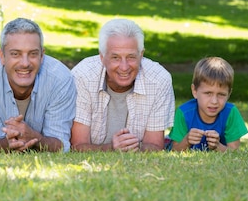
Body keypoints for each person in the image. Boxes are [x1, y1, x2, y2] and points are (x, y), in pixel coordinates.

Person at [0, 18, 76, 152]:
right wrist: (9, 142)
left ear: (42, 56)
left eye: (33, 54)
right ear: (2, 56)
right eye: (15, 54)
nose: (25, 63)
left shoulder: (60, 79)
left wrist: (35, 139)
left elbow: (61, 145)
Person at [70, 18, 175, 152]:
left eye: (131, 57)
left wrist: (135, 147)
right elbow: (77, 146)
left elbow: (155, 147)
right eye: (115, 58)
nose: (124, 67)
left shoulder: (160, 79)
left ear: (141, 55)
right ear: (102, 58)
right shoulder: (82, 76)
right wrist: (111, 148)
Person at [168, 56, 248, 151]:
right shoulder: (184, 113)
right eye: (208, 93)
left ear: (229, 94)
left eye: (221, 94)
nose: (214, 101)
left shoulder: (230, 113)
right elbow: (174, 150)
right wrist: (186, 141)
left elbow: (234, 152)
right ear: (194, 91)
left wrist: (218, 146)